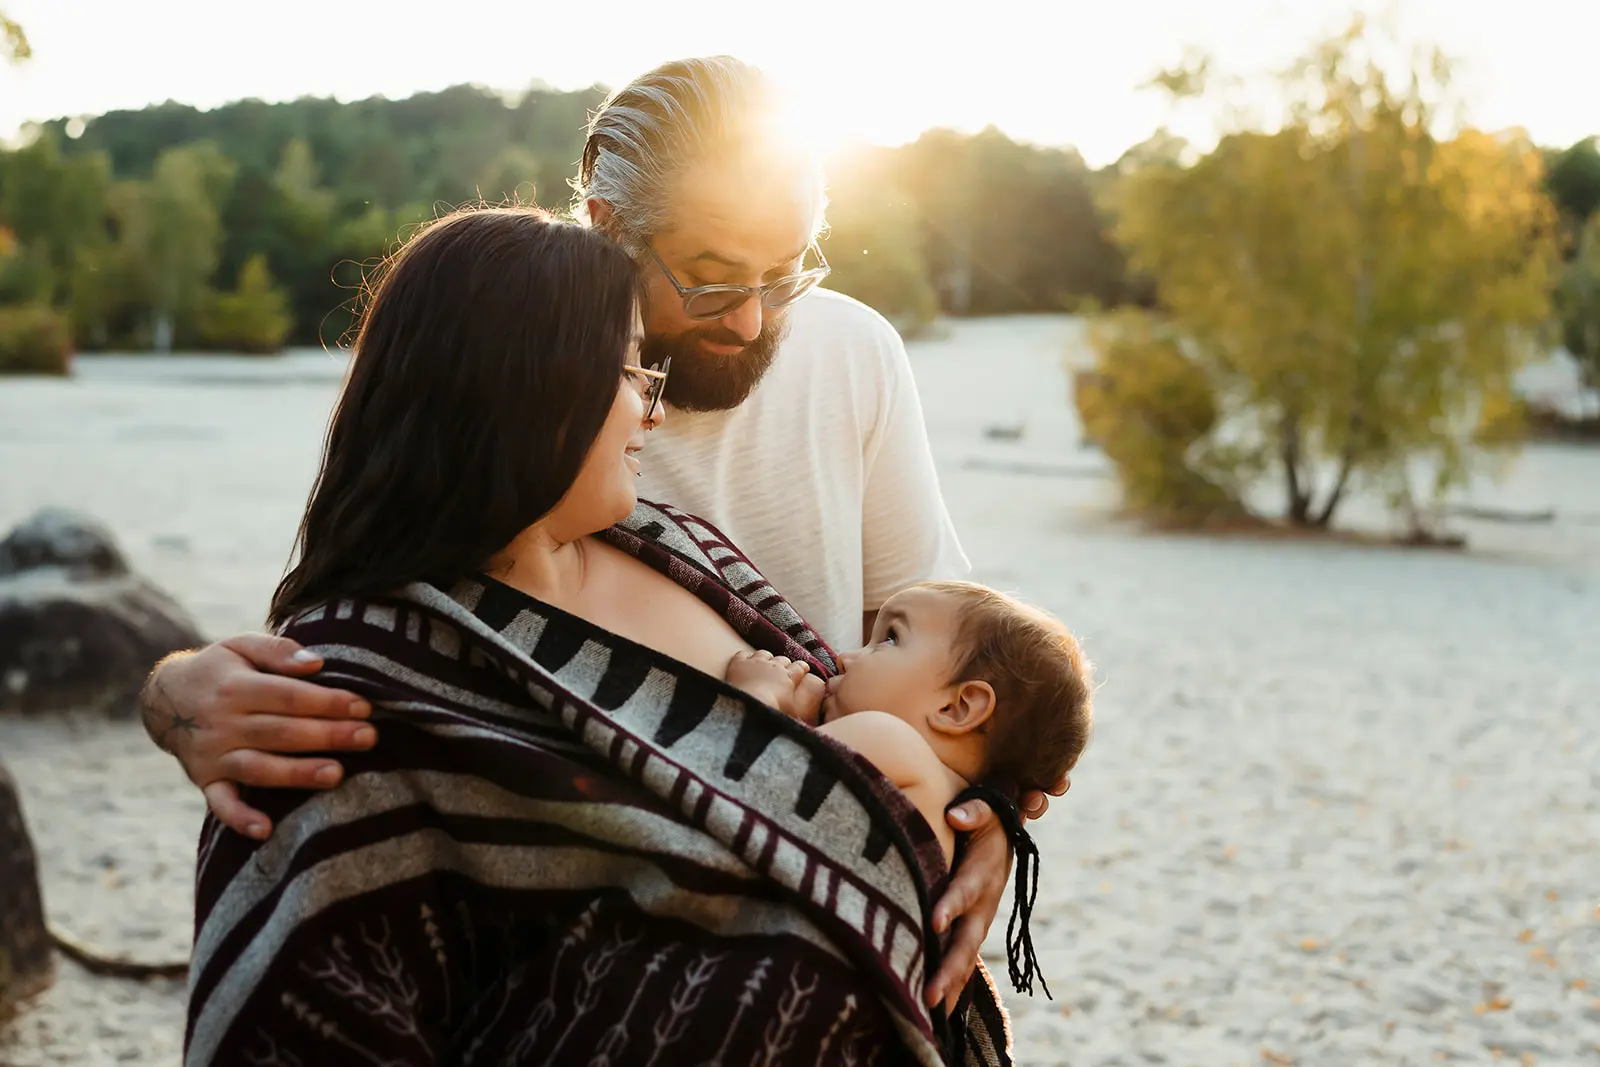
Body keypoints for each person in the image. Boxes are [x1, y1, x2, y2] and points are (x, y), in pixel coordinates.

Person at [140, 55, 1066, 1010]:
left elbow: (955, 660)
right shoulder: (520, 392)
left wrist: (980, 813)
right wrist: (173, 696)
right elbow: (380, 618)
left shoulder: (853, 355)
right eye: (709, 278)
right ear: (608, 224)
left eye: (784, 272)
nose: (751, 318)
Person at [727, 580, 1093, 864]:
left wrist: (762, 694)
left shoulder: (890, 741)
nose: (844, 657)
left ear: (958, 708)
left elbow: (748, 780)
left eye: (889, 639)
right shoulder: (953, 829)